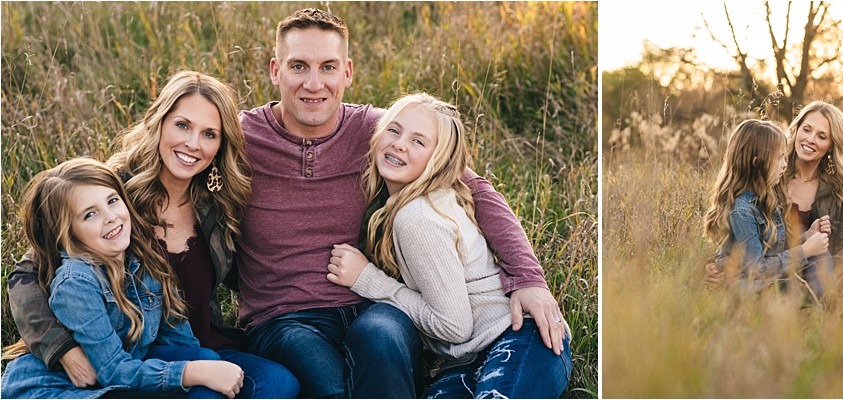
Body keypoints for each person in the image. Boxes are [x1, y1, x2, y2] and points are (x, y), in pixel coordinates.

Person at [235, 9, 566, 397]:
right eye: (298, 66)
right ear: (275, 70)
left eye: (328, 67)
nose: (313, 83)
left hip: (373, 303)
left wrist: (528, 278)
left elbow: (478, 192)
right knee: (330, 386)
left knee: (383, 340)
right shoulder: (241, 138)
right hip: (283, 317)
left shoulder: (381, 133)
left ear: (348, 72)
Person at [5, 72, 300, 398]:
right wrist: (62, 348)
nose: (193, 144)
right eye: (182, 125)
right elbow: (26, 272)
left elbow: (264, 262)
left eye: (209, 134)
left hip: (192, 342)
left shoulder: (218, 203)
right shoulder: (114, 194)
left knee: (277, 382)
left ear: (220, 145)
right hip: (127, 351)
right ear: (159, 122)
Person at [324, 93, 571, 398]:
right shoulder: (415, 203)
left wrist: (369, 280)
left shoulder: (417, 218)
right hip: (465, 361)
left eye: (419, 141)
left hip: (519, 339)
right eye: (394, 130)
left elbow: (454, 327)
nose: (400, 144)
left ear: (438, 162)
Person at [1, 158, 243, 398]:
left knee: (206, 364)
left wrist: (206, 368)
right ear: (67, 234)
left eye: (113, 201)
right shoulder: (75, 284)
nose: (110, 217)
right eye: (89, 215)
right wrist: (191, 372)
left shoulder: (141, 259)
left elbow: (178, 336)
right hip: (64, 388)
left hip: (115, 374)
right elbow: (113, 370)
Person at [706, 102, 843, 301]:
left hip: (814, 268)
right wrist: (714, 265)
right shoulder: (770, 179)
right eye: (806, 129)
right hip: (775, 271)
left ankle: (833, 297)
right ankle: (821, 299)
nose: (810, 139)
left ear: (832, 144)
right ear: (796, 129)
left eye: (822, 136)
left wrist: (810, 238)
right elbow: (741, 239)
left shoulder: (840, 187)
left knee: (829, 259)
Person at [703, 119, 830, 293]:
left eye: (784, 157)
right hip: (747, 284)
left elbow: (776, 248)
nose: (785, 164)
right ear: (757, 162)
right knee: (795, 286)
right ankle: (824, 299)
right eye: (779, 158)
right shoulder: (741, 210)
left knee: (819, 254)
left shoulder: (767, 198)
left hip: (766, 278)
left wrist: (807, 236)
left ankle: (825, 297)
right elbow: (756, 270)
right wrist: (804, 251)